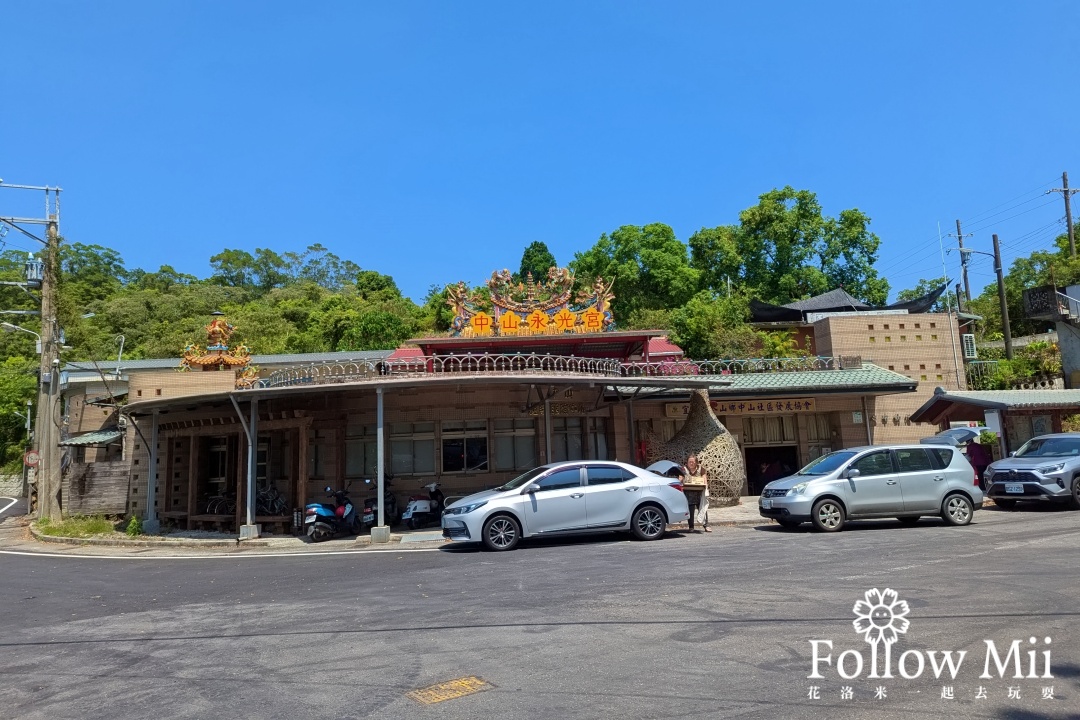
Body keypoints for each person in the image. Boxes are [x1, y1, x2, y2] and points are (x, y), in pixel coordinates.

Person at [680, 454, 711, 533]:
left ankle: (706, 525)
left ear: (696, 462)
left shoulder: (701, 469)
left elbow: (704, 479)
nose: (691, 463)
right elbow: (680, 479)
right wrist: (681, 482)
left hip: (699, 493)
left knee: (703, 508)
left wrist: (706, 488)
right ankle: (691, 527)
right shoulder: (684, 469)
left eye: (693, 462)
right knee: (690, 510)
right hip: (688, 493)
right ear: (687, 462)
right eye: (690, 462)